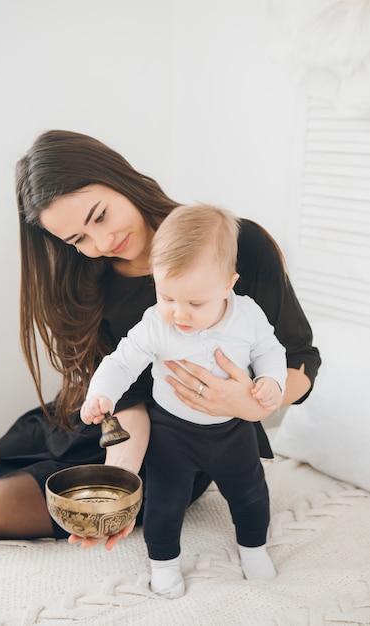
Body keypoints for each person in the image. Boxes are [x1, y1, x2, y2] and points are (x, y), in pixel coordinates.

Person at [0, 130, 321, 547]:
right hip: (108, 418)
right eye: (78, 240)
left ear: (119, 177)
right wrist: (119, 469)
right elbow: (124, 396)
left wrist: (250, 405)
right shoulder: (84, 279)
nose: (103, 242)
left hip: (179, 440)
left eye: (100, 216)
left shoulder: (232, 242)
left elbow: (301, 356)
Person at [81, 204, 287, 597]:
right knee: (163, 502)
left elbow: (271, 351)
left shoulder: (248, 315)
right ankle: (163, 563)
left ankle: (254, 548)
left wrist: (271, 382)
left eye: (195, 303)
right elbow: (121, 362)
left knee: (251, 493)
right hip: (172, 433)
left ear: (229, 285)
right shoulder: (157, 324)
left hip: (233, 429)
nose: (179, 314)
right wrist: (101, 393)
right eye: (167, 296)